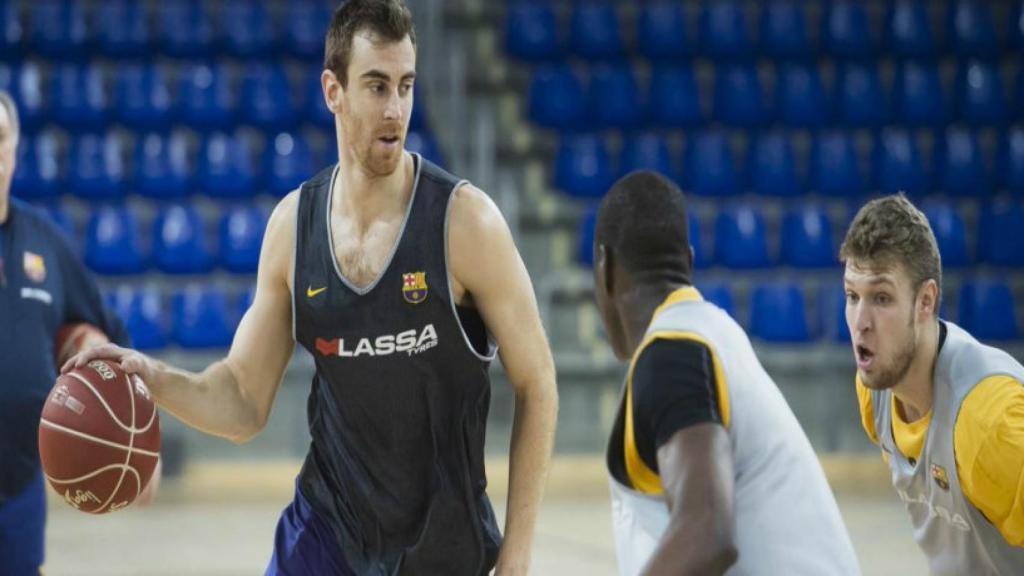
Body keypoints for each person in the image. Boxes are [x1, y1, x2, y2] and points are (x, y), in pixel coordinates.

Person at [64, 1, 559, 574]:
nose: (395, 109)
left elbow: (538, 379)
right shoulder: (292, 230)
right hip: (323, 537)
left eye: (406, 86)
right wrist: (153, 379)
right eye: (376, 86)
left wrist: (518, 557)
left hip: (441, 549)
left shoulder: (466, 224)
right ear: (333, 91)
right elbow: (244, 403)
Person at [591, 171, 860, 576]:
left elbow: (706, 533)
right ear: (689, 263)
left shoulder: (672, 354)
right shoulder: (714, 334)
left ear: (605, 266)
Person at [841, 194, 1024, 574]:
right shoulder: (874, 392)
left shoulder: (989, 425)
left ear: (925, 301)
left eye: (881, 298)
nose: (861, 321)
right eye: (852, 296)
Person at [0, 90, 132, 575]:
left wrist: (138, 433)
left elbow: (110, 333)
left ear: (14, 147)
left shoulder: (45, 240)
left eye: (0, 138)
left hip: (19, 483)